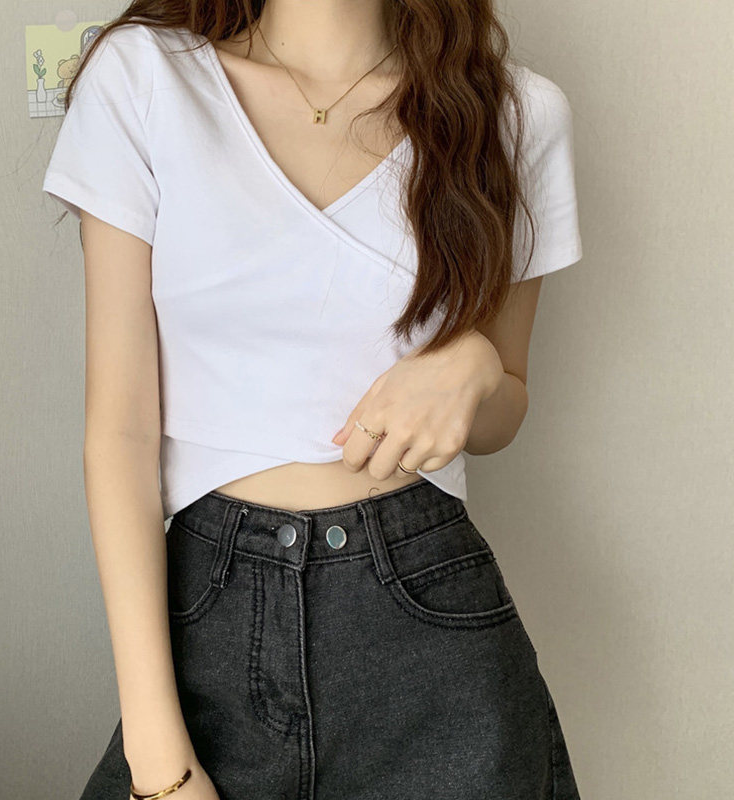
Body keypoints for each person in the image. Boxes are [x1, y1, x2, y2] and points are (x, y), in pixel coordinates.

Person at [42, 1, 584, 798]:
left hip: (429, 618)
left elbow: (504, 409)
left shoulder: (513, 112)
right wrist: (160, 764)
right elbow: (120, 434)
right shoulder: (147, 78)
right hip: (209, 610)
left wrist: (473, 365)